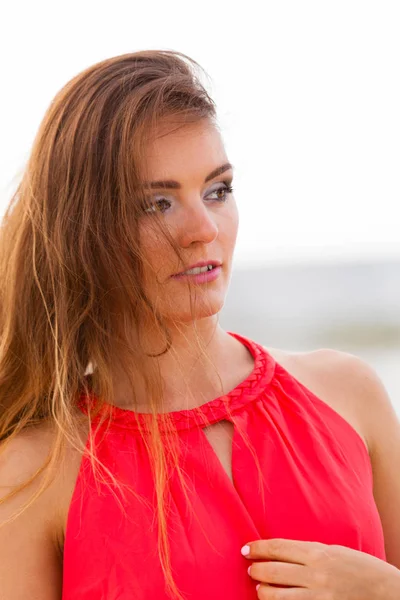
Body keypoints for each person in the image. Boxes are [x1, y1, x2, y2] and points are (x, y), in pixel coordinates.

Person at [0, 50, 399, 600]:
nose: (204, 229)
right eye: (156, 204)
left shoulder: (350, 395)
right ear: (83, 230)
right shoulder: (33, 473)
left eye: (218, 190)